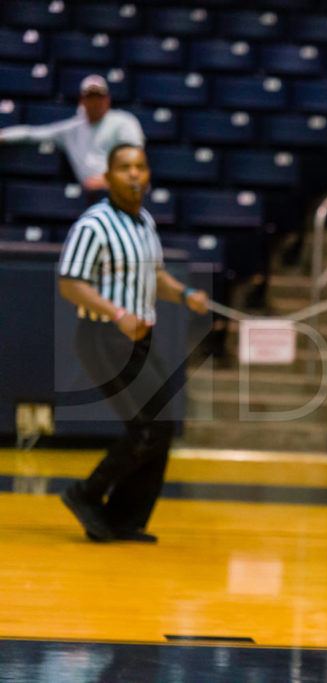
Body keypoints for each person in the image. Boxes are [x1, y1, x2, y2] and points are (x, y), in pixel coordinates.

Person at [57, 143, 209, 543]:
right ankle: (86, 494)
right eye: (124, 168)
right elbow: (70, 283)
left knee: (162, 426)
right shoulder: (94, 224)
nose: (134, 174)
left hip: (141, 338)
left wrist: (186, 293)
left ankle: (125, 519)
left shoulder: (144, 224)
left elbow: (156, 276)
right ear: (108, 178)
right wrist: (116, 314)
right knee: (150, 425)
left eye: (140, 167)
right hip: (104, 336)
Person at [0, 75, 144, 191]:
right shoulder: (71, 129)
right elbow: (33, 133)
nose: (95, 102)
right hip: (90, 198)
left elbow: (137, 160)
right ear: (82, 101)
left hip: (124, 190)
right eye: (90, 97)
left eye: (99, 97)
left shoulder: (124, 122)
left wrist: (107, 180)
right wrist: (4, 135)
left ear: (107, 100)